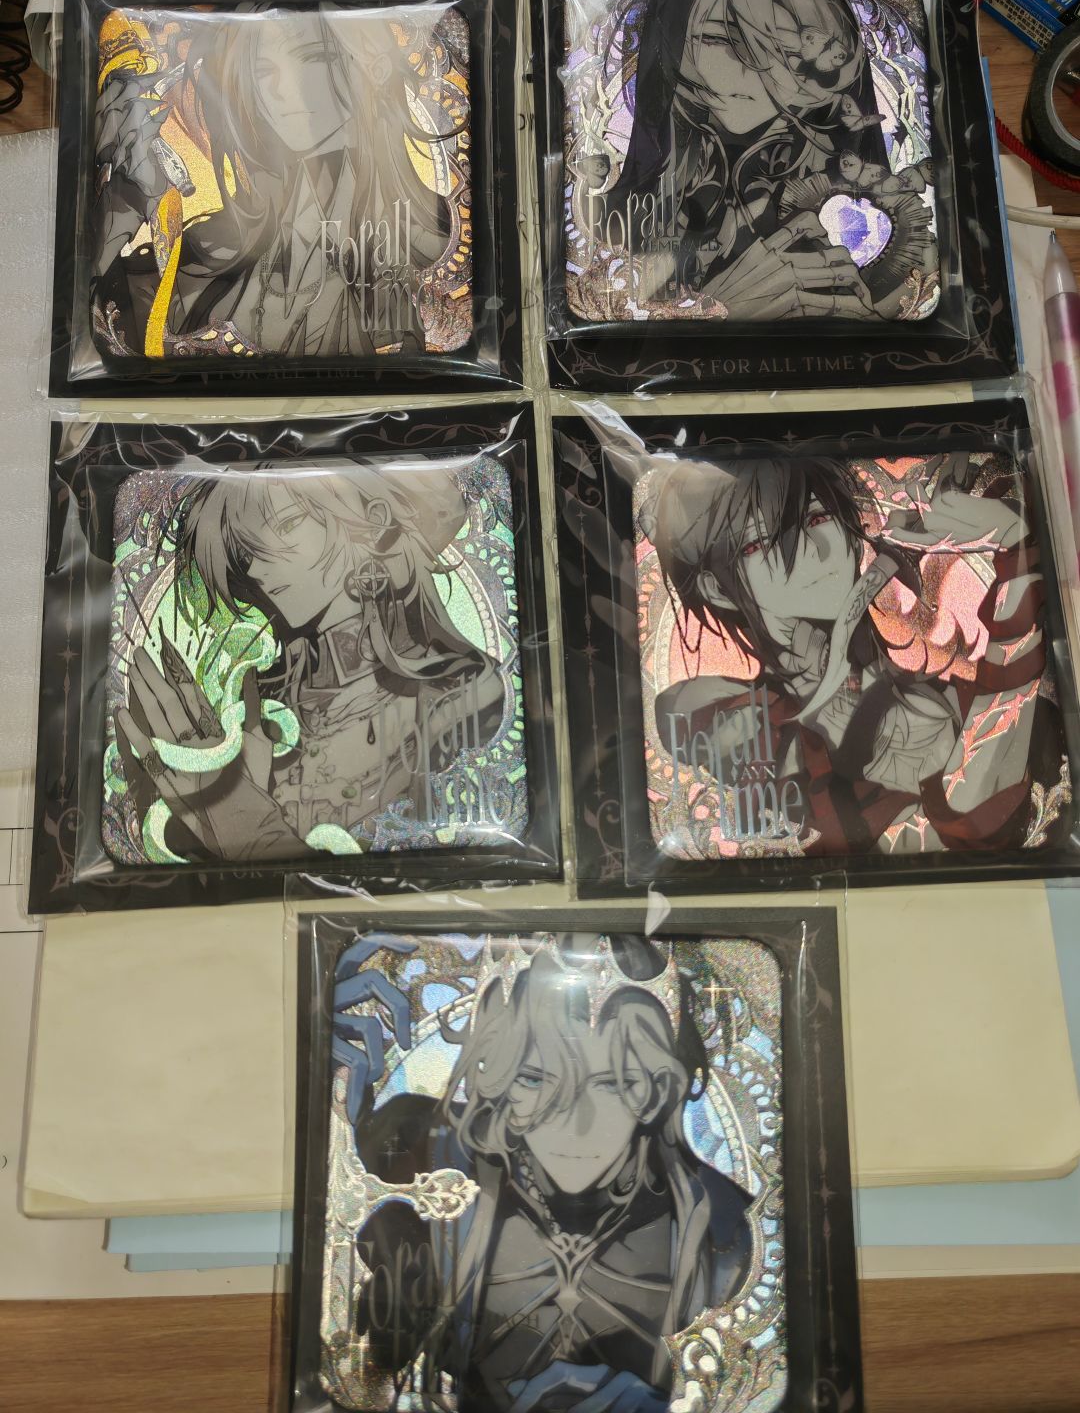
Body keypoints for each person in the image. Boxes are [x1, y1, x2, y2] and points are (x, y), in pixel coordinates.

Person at [336, 932, 754, 1413]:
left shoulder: (724, 1229)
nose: (575, 1125)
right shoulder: (420, 1158)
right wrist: (330, 1096)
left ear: (658, 1088)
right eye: (534, 1079)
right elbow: (361, 1370)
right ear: (495, 1072)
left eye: (614, 1083)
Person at [642, 454, 1064, 855]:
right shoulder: (767, 748)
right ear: (717, 588)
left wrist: (1015, 545)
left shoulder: (978, 703)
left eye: (816, 518)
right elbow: (954, 829)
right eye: (756, 543)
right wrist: (1019, 561)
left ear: (852, 535)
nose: (807, 551)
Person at [114, 462, 505, 862]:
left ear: (374, 523)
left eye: (287, 525)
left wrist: (249, 831)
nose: (257, 568)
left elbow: (420, 868)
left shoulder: (463, 695)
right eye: (245, 553)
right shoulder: (256, 701)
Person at [92, 3, 465, 358]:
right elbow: (104, 338)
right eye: (263, 72)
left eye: (315, 58)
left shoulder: (448, 243)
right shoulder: (204, 257)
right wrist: (123, 201)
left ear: (374, 67)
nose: (282, 91)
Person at [580, 0, 935, 319]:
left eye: (789, 50)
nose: (761, 72)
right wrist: (714, 312)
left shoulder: (888, 223)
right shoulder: (609, 224)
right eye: (721, 39)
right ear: (675, 40)